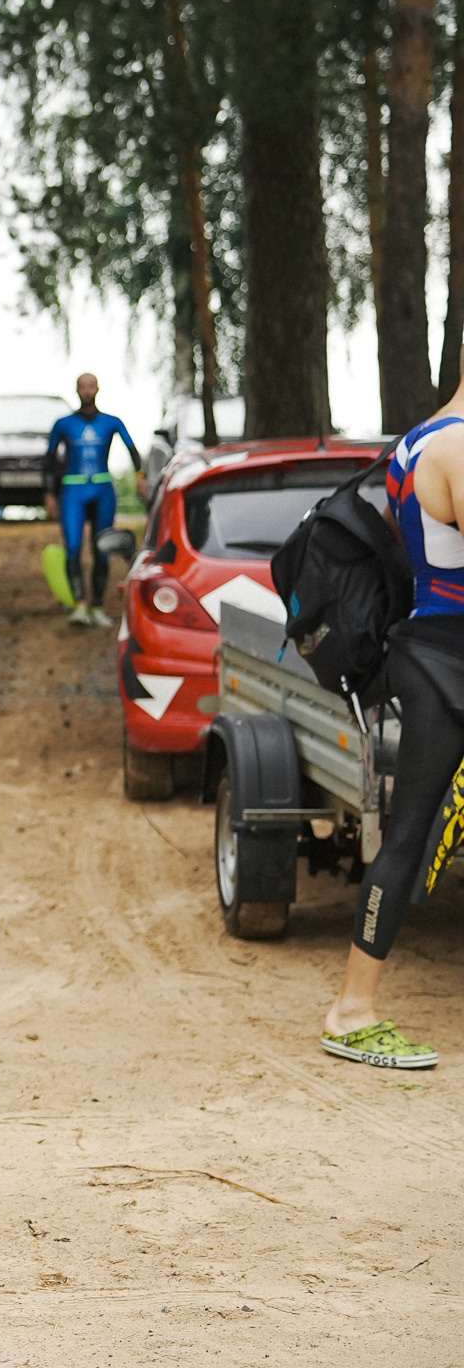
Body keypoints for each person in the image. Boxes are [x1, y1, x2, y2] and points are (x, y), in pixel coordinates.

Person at [320, 406, 464, 1070]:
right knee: (407, 837)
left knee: (408, 835)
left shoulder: (417, 439)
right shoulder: (459, 445)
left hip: (432, 652)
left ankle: (352, 1007)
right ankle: (350, 1012)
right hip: (448, 661)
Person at [42, 374, 137, 627]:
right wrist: (49, 493)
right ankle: (80, 605)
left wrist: (140, 476)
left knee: (102, 548)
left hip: (102, 488)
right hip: (72, 489)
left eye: (90, 386)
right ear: (77, 390)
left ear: (97, 389)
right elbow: (49, 459)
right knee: (73, 547)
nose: (86, 391)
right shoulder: (63, 424)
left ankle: (97, 605)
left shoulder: (111, 422)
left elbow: (132, 449)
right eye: (82, 387)